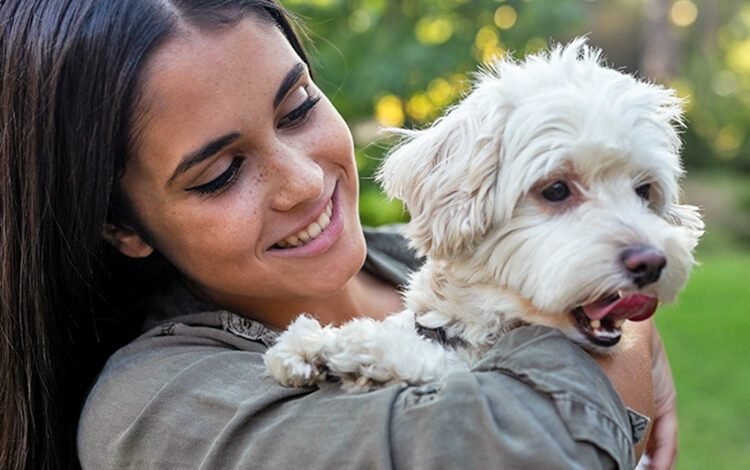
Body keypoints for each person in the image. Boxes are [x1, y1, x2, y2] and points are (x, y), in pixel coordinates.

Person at [0, 0, 678, 468]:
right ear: (120, 226)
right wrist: (629, 339)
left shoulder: (410, 258)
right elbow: (521, 450)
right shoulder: (156, 410)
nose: (300, 181)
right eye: (221, 173)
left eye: (297, 109)